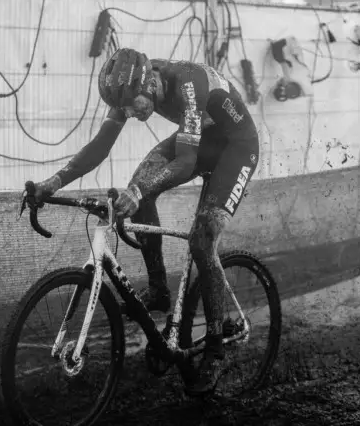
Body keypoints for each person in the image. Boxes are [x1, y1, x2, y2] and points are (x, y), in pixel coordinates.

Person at [30, 48, 260, 395]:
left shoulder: (187, 83)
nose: (130, 114)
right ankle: (158, 290)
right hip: (203, 137)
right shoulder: (127, 89)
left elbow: (185, 161)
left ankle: (215, 346)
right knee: (139, 181)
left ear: (150, 82)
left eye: (131, 105)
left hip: (237, 147)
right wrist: (53, 182)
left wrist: (138, 192)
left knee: (201, 239)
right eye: (122, 109)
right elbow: (100, 147)